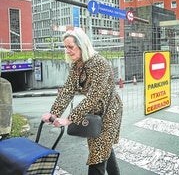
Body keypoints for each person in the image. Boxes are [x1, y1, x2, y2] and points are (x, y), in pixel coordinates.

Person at [41, 27, 123, 175]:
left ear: (82, 45)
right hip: (94, 112)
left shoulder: (99, 63)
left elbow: (94, 96)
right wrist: (53, 113)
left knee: (97, 156)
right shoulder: (77, 65)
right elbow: (67, 90)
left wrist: (69, 119)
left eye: (70, 47)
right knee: (103, 148)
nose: (67, 50)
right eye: (65, 47)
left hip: (110, 112)